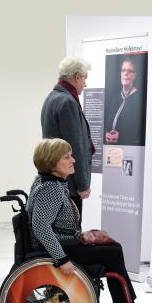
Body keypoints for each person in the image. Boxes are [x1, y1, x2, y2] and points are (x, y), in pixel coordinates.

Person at [27, 139, 152, 303]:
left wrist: (80, 234)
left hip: (66, 242)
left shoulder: (49, 181)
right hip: (62, 249)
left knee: (113, 249)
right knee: (114, 252)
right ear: (52, 162)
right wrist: (61, 259)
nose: (74, 160)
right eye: (67, 157)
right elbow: (41, 227)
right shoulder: (50, 188)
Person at [41, 56, 94, 219]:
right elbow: (75, 147)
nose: (85, 84)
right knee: (70, 235)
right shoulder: (67, 102)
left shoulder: (52, 97)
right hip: (68, 185)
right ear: (77, 76)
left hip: (55, 180)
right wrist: (83, 185)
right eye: (85, 78)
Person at [104, 57, 145, 145]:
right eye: (123, 70)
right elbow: (108, 124)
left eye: (130, 71)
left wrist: (121, 136)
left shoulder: (139, 100)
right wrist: (107, 134)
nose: (126, 73)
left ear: (134, 76)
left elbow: (139, 130)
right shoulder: (115, 99)